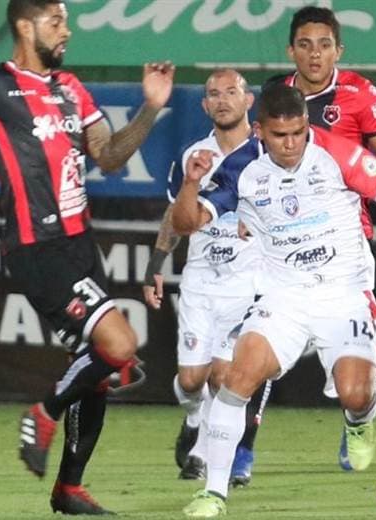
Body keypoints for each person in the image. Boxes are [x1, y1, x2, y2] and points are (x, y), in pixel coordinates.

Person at [0, 0, 174, 515]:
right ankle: (44, 413)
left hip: (81, 245)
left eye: (66, 21)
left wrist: (150, 107)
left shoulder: (71, 87)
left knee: (97, 374)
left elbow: (109, 155)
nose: (66, 31)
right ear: (24, 27)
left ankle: (69, 489)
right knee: (119, 345)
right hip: (37, 246)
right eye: (56, 22)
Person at [173, 83, 376, 518]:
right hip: (282, 295)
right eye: (279, 136)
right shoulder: (242, 168)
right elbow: (187, 223)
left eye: (298, 133)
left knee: (354, 393)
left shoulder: (336, 153)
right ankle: (213, 493)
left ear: (307, 125)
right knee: (237, 378)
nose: (291, 145)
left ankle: (360, 418)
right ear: (259, 131)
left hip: (343, 292)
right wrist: (192, 184)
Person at [267, 4, 376, 470]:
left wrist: (338, 169)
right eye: (305, 45)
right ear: (291, 50)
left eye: (324, 45)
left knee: (351, 383)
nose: (315, 54)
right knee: (245, 352)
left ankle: (359, 412)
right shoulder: (274, 96)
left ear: (338, 51)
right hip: (280, 239)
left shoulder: (359, 95)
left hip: (340, 242)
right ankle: (234, 451)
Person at [141, 68, 261, 484]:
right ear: (205, 105)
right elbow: (175, 216)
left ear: (248, 100)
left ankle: (205, 457)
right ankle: (193, 418)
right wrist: (156, 264)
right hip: (201, 280)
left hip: (248, 284)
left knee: (225, 376)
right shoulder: (193, 155)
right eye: (214, 94)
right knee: (192, 380)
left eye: (231, 91)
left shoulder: (266, 154)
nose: (223, 99)